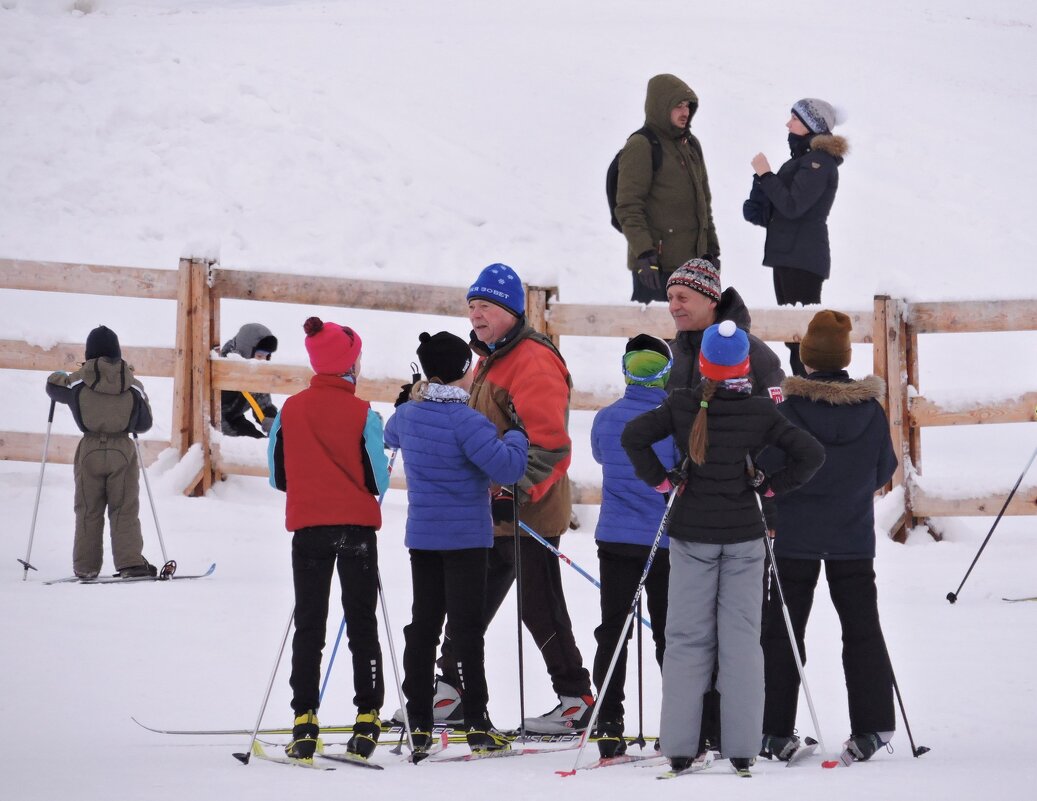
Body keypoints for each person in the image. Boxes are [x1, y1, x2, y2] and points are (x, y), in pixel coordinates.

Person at [622, 320, 825, 776]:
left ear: (704, 365)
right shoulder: (760, 412)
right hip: (744, 538)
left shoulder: (680, 403)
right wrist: (770, 488)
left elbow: (632, 437)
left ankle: (678, 747)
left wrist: (661, 481)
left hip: (692, 536)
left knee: (686, 641)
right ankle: (741, 747)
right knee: (741, 644)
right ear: (745, 365)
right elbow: (811, 454)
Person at [432, 263, 594, 735]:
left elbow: (549, 443)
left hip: (528, 509)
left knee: (539, 604)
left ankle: (576, 699)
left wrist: (514, 492)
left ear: (510, 311)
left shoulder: (532, 361)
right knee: (469, 600)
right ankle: (452, 690)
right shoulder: (490, 355)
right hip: (491, 507)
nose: (476, 315)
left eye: (486, 307)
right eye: (472, 306)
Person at [756, 310, 898, 763]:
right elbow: (885, 468)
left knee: (782, 631)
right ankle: (873, 724)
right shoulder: (871, 411)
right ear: (844, 357)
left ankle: (773, 729)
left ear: (807, 359)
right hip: (852, 536)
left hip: (795, 534)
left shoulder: (789, 408)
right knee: (861, 629)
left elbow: (766, 464)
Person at [384, 331, 529, 755]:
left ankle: (421, 721)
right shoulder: (469, 422)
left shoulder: (410, 416)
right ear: (463, 373)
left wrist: (405, 402)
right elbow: (508, 469)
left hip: (424, 538)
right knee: (466, 631)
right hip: (466, 540)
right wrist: (517, 435)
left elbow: (391, 435)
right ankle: (478, 724)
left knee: (423, 625)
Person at [267, 317, 390, 762]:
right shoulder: (364, 414)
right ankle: (368, 716)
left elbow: (278, 475)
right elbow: (378, 479)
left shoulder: (289, 411)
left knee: (310, 624)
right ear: (350, 365)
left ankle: (304, 719)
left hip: (310, 529)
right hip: (356, 529)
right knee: (361, 623)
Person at [588, 334, 680, 758]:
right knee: (668, 631)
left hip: (615, 537)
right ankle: (679, 723)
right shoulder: (671, 419)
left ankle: (609, 721)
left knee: (614, 628)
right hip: (661, 539)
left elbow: (602, 457)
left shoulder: (606, 418)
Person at [743, 98, 848, 377]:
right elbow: (771, 212)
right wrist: (760, 187)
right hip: (788, 255)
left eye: (795, 119)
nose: (788, 124)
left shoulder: (819, 162)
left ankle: (812, 397)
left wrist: (766, 175)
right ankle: (806, 396)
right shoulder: (802, 160)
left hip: (802, 257)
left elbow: (792, 206)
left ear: (812, 126)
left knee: (803, 338)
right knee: (795, 339)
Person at [45, 326, 156, 579]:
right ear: (118, 353)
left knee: (87, 509)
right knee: (124, 508)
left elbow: (53, 386)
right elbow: (144, 423)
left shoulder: (77, 381)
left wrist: (60, 372)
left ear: (90, 354)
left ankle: (86, 567)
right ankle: (130, 563)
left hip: (90, 450)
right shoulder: (132, 384)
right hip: (122, 450)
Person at [615, 73, 720, 304]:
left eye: (687, 106)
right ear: (661, 107)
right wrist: (644, 254)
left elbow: (704, 206)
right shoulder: (641, 145)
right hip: (656, 268)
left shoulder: (690, 145)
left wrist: (711, 251)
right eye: (678, 106)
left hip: (692, 267)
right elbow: (628, 207)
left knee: (690, 338)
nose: (685, 112)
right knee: (653, 338)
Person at [665, 258, 785, 398]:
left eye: (682, 298)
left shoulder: (756, 354)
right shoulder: (668, 355)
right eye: (670, 298)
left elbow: (780, 415)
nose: (673, 307)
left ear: (711, 301)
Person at [218, 323, 279, 437]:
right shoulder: (223, 370)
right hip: (214, 422)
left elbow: (263, 404)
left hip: (235, 418)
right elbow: (209, 411)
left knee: (260, 443)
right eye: (260, 356)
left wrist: (272, 422)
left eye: (267, 356)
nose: (263, 361)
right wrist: (230, 435)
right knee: (246, 448)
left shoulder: (256, 371)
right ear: (245, 351)